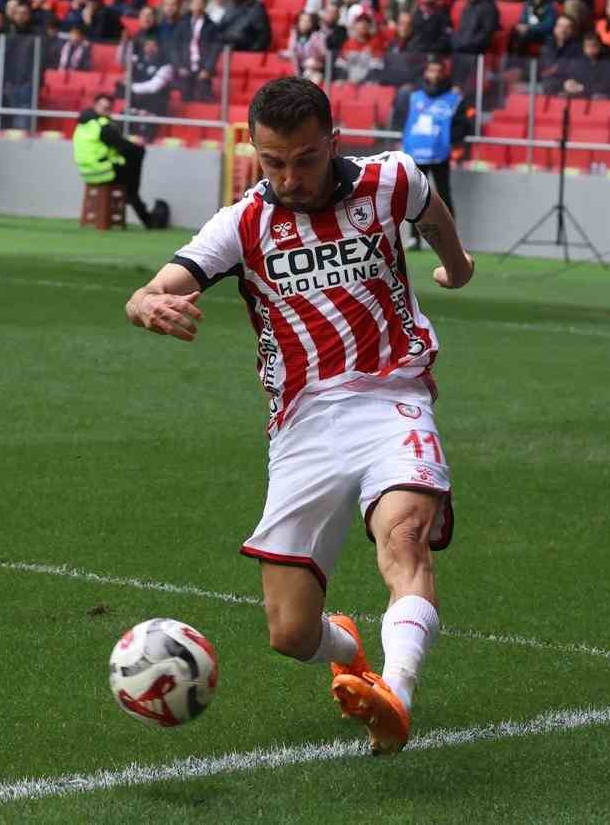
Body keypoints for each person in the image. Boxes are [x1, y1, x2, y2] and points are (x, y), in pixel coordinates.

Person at [124, 76, 475, 755]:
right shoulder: (242, 223)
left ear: (333, 142)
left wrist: (456, 268)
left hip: (391, 398)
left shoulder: (389, 180)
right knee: (290, 633)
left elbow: (430, 210)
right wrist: (145, 303)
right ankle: (350, 651)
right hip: (301, 425)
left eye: (305, 159)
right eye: (273, 161)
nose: (289, 177)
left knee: (403, 537)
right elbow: (161, 283)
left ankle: (396, 695)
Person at [73, 93, 170, 230]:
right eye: (104, 107)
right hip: (103, 171)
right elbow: (122, 145)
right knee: (136, 156)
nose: (106, 110)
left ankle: (136, 203)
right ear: (96, 106)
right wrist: (138, 148)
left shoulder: (83, 124)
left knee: (130, 161)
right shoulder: (102, 126)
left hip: (86, 172)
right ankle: (139, 207)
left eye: (108, 108)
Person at [393, 56, 472, 218]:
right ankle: (415, 233)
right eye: (431, 70)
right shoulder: (413, 96)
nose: (435, 74)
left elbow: (464, 126)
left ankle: (449, 231)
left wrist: (446, 138)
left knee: (443, 194)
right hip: (415, 153)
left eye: (438, 71)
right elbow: (400, 119)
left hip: (440, 153)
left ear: (445, 73)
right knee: (415, 197)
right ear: (425, 73)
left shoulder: (455, 98)